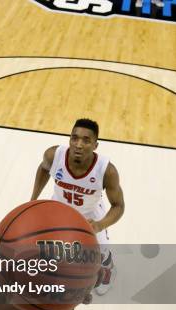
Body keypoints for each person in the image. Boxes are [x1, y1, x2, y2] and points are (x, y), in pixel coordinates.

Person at [30, 118, 125, 295]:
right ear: (69, 140)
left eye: (86, 140)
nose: (79, 144)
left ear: (96, 145)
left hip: (90, 216)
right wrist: (33, 200)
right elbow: (44, 168)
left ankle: (109, 268)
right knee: (51, 248)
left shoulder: (107, 171)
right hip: (59, 210)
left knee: (101, 254)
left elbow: (119, 206)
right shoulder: (54, 155)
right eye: (74, 138)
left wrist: (100, 225)